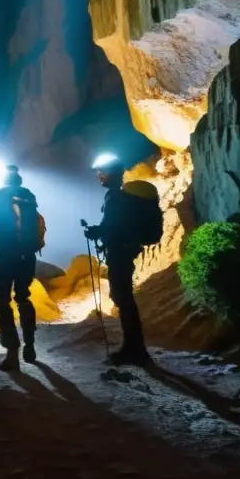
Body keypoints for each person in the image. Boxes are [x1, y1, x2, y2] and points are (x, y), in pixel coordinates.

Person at [83, 154, 159, 366]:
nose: (99, 176)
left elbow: (114, 226)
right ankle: (135, 347)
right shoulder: (122, 197)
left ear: (112, 174)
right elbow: (118, 226)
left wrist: (96, 231)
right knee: (123, 297)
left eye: (102, 172)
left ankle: (135, 350)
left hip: (120, 252)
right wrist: (101, 231)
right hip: (125, 250)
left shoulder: (116, 198)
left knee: (123, 298)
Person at [0, 165, 45, 371]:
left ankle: (12, 352)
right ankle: (30, 345)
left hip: (5, 257)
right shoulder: (31, 204)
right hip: (27, 258)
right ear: (20, 183)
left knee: (2, 301)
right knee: (23, 298)